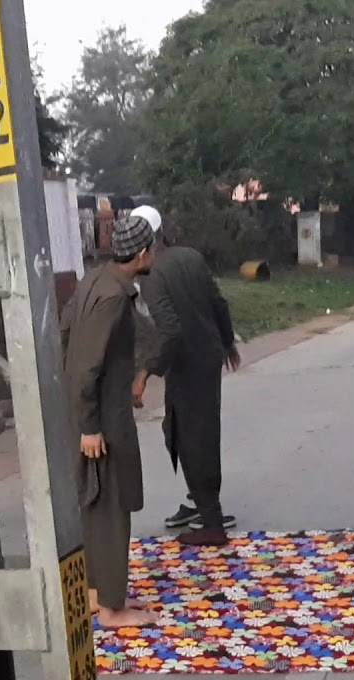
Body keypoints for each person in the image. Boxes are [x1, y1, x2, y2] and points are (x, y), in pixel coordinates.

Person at [62, 215, 158, 629]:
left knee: (97, 502)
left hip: (92, 410)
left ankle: (98, 591)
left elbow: (66, 333)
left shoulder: (93, 279)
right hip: (103, 415)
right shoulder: (115, 298)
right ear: (141, 254)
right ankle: (112, 608)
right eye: (151, 249)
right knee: (112, 506)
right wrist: (90, 425)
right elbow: (88, 365)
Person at [128, 206, 241, 547]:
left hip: (186, 364)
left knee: (188, 437)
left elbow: (171, 332)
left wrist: (145, 373)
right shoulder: (190, 257)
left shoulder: (152, 277)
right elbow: (218, 303)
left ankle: (211, 521)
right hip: (208, 358)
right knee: (202, 431)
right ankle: (203, 504)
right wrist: (227, 341)